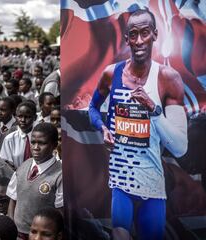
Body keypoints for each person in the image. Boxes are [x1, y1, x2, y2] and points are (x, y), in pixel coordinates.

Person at [88, 9, 188, 240]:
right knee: (119, 236)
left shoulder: (167, 78)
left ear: (154, 35)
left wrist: (153, 109)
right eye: (133, 34)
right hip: (121, 180)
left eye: (145, 33)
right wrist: (102, 128)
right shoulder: (111, 74)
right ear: (127, 39)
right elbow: (93, 108)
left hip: (152, 183)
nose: (139, 40)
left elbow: (180, 147)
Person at [7, 123, 63, 239]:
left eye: (42, 143)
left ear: (54, 145)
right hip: (17, 234)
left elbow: (61, 212)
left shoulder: (60, 174)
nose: (36, 147)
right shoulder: (23, 165)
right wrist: (12, 227)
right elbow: (13, 199)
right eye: (33, 142)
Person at [0, 102, 37, 169]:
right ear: (15, 117)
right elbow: (6, 163)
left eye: (27, 117)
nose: (23, 120)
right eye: (20, 116)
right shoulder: (9, 139)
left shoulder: (41, 137)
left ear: (35, 117)